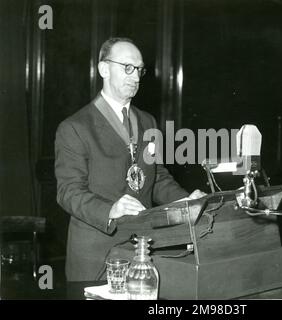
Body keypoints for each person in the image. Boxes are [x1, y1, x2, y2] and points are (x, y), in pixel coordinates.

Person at [55, 37, 205, 281]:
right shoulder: (75, 127)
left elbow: (157, 178)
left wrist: (185, 201)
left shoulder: (148, 122)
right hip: (96, 255)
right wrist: (110, 210)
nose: (135, 77)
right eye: (127, 68)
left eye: (139, 70)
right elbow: (68, 192)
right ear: (104, 69)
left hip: (141, 250)